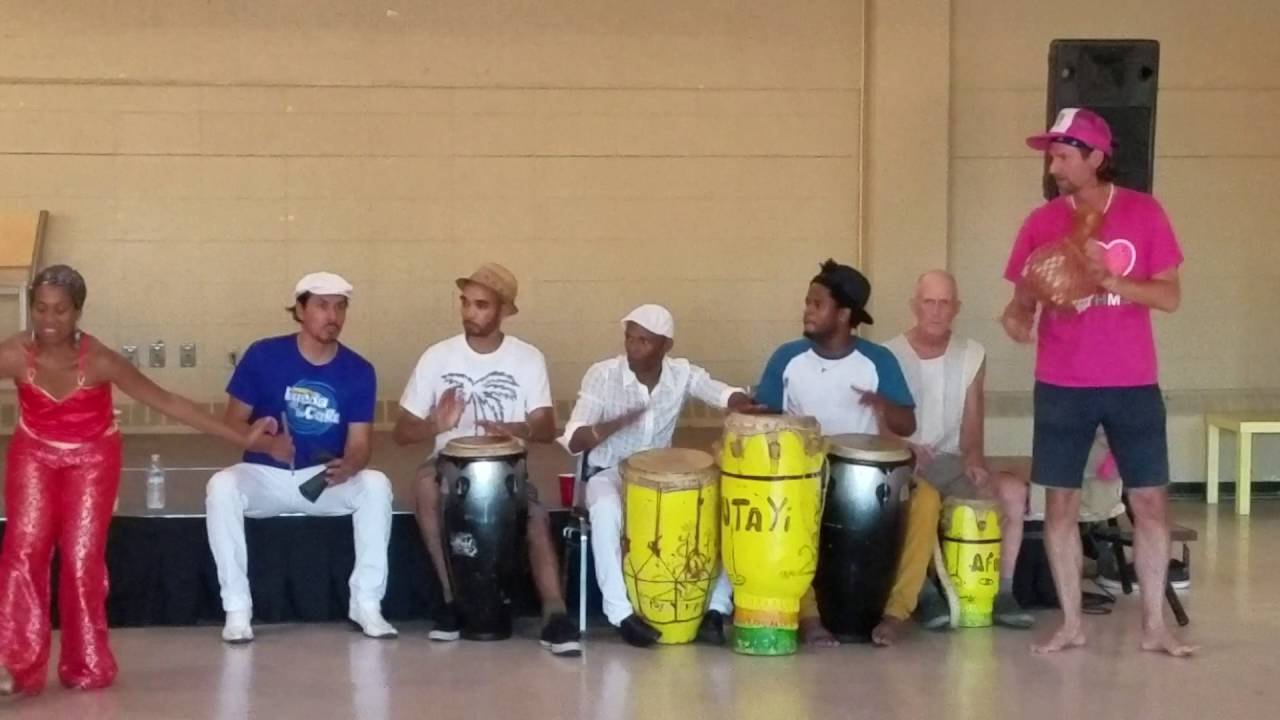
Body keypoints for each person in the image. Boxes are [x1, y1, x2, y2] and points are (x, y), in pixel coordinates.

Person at [0, 265, 273, 695]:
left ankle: (86, 663)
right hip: (33, 453)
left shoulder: (101, 361)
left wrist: (242, 437)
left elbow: (168, 402)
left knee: (80, 557)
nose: (49, 322)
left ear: (78, 313)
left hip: (92, 459)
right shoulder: (14, 353)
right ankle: (16, 666)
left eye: (61, 311)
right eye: (40, 309)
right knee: (23, 548)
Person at [1000, 107, 1193, 657]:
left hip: (1133, 382)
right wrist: (1018, 322)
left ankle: (1155, 626)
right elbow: (1018, 308)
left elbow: (1170, 297)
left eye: (1063, 155)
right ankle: (1071, 624)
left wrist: (1110, 279)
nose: (1053, 164)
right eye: (1052, 154)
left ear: (1096, 158)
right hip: (1061, 382)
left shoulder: (1144, 212)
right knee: (1059, 505)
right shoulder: (1040, 222)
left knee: (1150, 503)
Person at [394, 263, 580, 657]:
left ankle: (554, 612)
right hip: (448, 463)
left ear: (502, 311)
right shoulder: (437, 356)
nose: (469, 313)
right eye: (465, 303)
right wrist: (435, 423)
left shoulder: (527, 358)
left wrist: (519, 427)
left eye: (480, 305)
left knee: (536, 516)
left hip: (507, 466)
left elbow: (547, 427)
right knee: (425, 488)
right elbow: (401, 432)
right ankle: (450, 601)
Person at [205, 272, 397, 644]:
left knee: (375, 484)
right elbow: (232, 423)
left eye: (340, 307)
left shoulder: (359, 370)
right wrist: (266, 445)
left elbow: (360, 443)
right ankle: (238, 609)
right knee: (222, 486)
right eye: (323, 306)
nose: (333, 316)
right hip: (266, 474)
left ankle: (367, 603)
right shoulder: (263, 355)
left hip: (323, 480)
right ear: (300, 310)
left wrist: (351, 465)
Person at [561, 304, 761, 647]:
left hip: (661, 481)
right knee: (606, 509)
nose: (633, 347)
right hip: (609, 472)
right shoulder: (603, 374)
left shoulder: (681, 373)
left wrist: (741, 401)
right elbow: (573, 439)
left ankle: (714, 609)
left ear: (665, 346)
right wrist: (613, 424)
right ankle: (620, 614)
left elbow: (720, 391)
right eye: (630, 338)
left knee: (726, 511)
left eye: (644, 341)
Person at [753, 259, 918, 647]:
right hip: (802, 475)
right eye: (807, 302)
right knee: (785, 513)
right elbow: (766, 421)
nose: (807, 311)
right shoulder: (787, 358)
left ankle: (896, 613)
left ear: (844, 315)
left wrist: (882, 402)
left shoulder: (878, 360)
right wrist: (748, 407)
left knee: (924, 504)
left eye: (816, 304)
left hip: (864, 478)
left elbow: (906, 425)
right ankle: (807, 616)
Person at [870, 270, 1033, 645]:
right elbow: (880, 424)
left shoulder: (973, 354)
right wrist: (906, 449)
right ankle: (925, 593)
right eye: (929, 301)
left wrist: (974, 461)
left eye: (945, 303)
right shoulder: (888, 354)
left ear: (956, 308)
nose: (937, 310)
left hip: (953, 460)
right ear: (915, 305)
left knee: (1010, 493)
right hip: (905, 461)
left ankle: (1001, 591)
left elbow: (973, 424)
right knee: (915, 503)